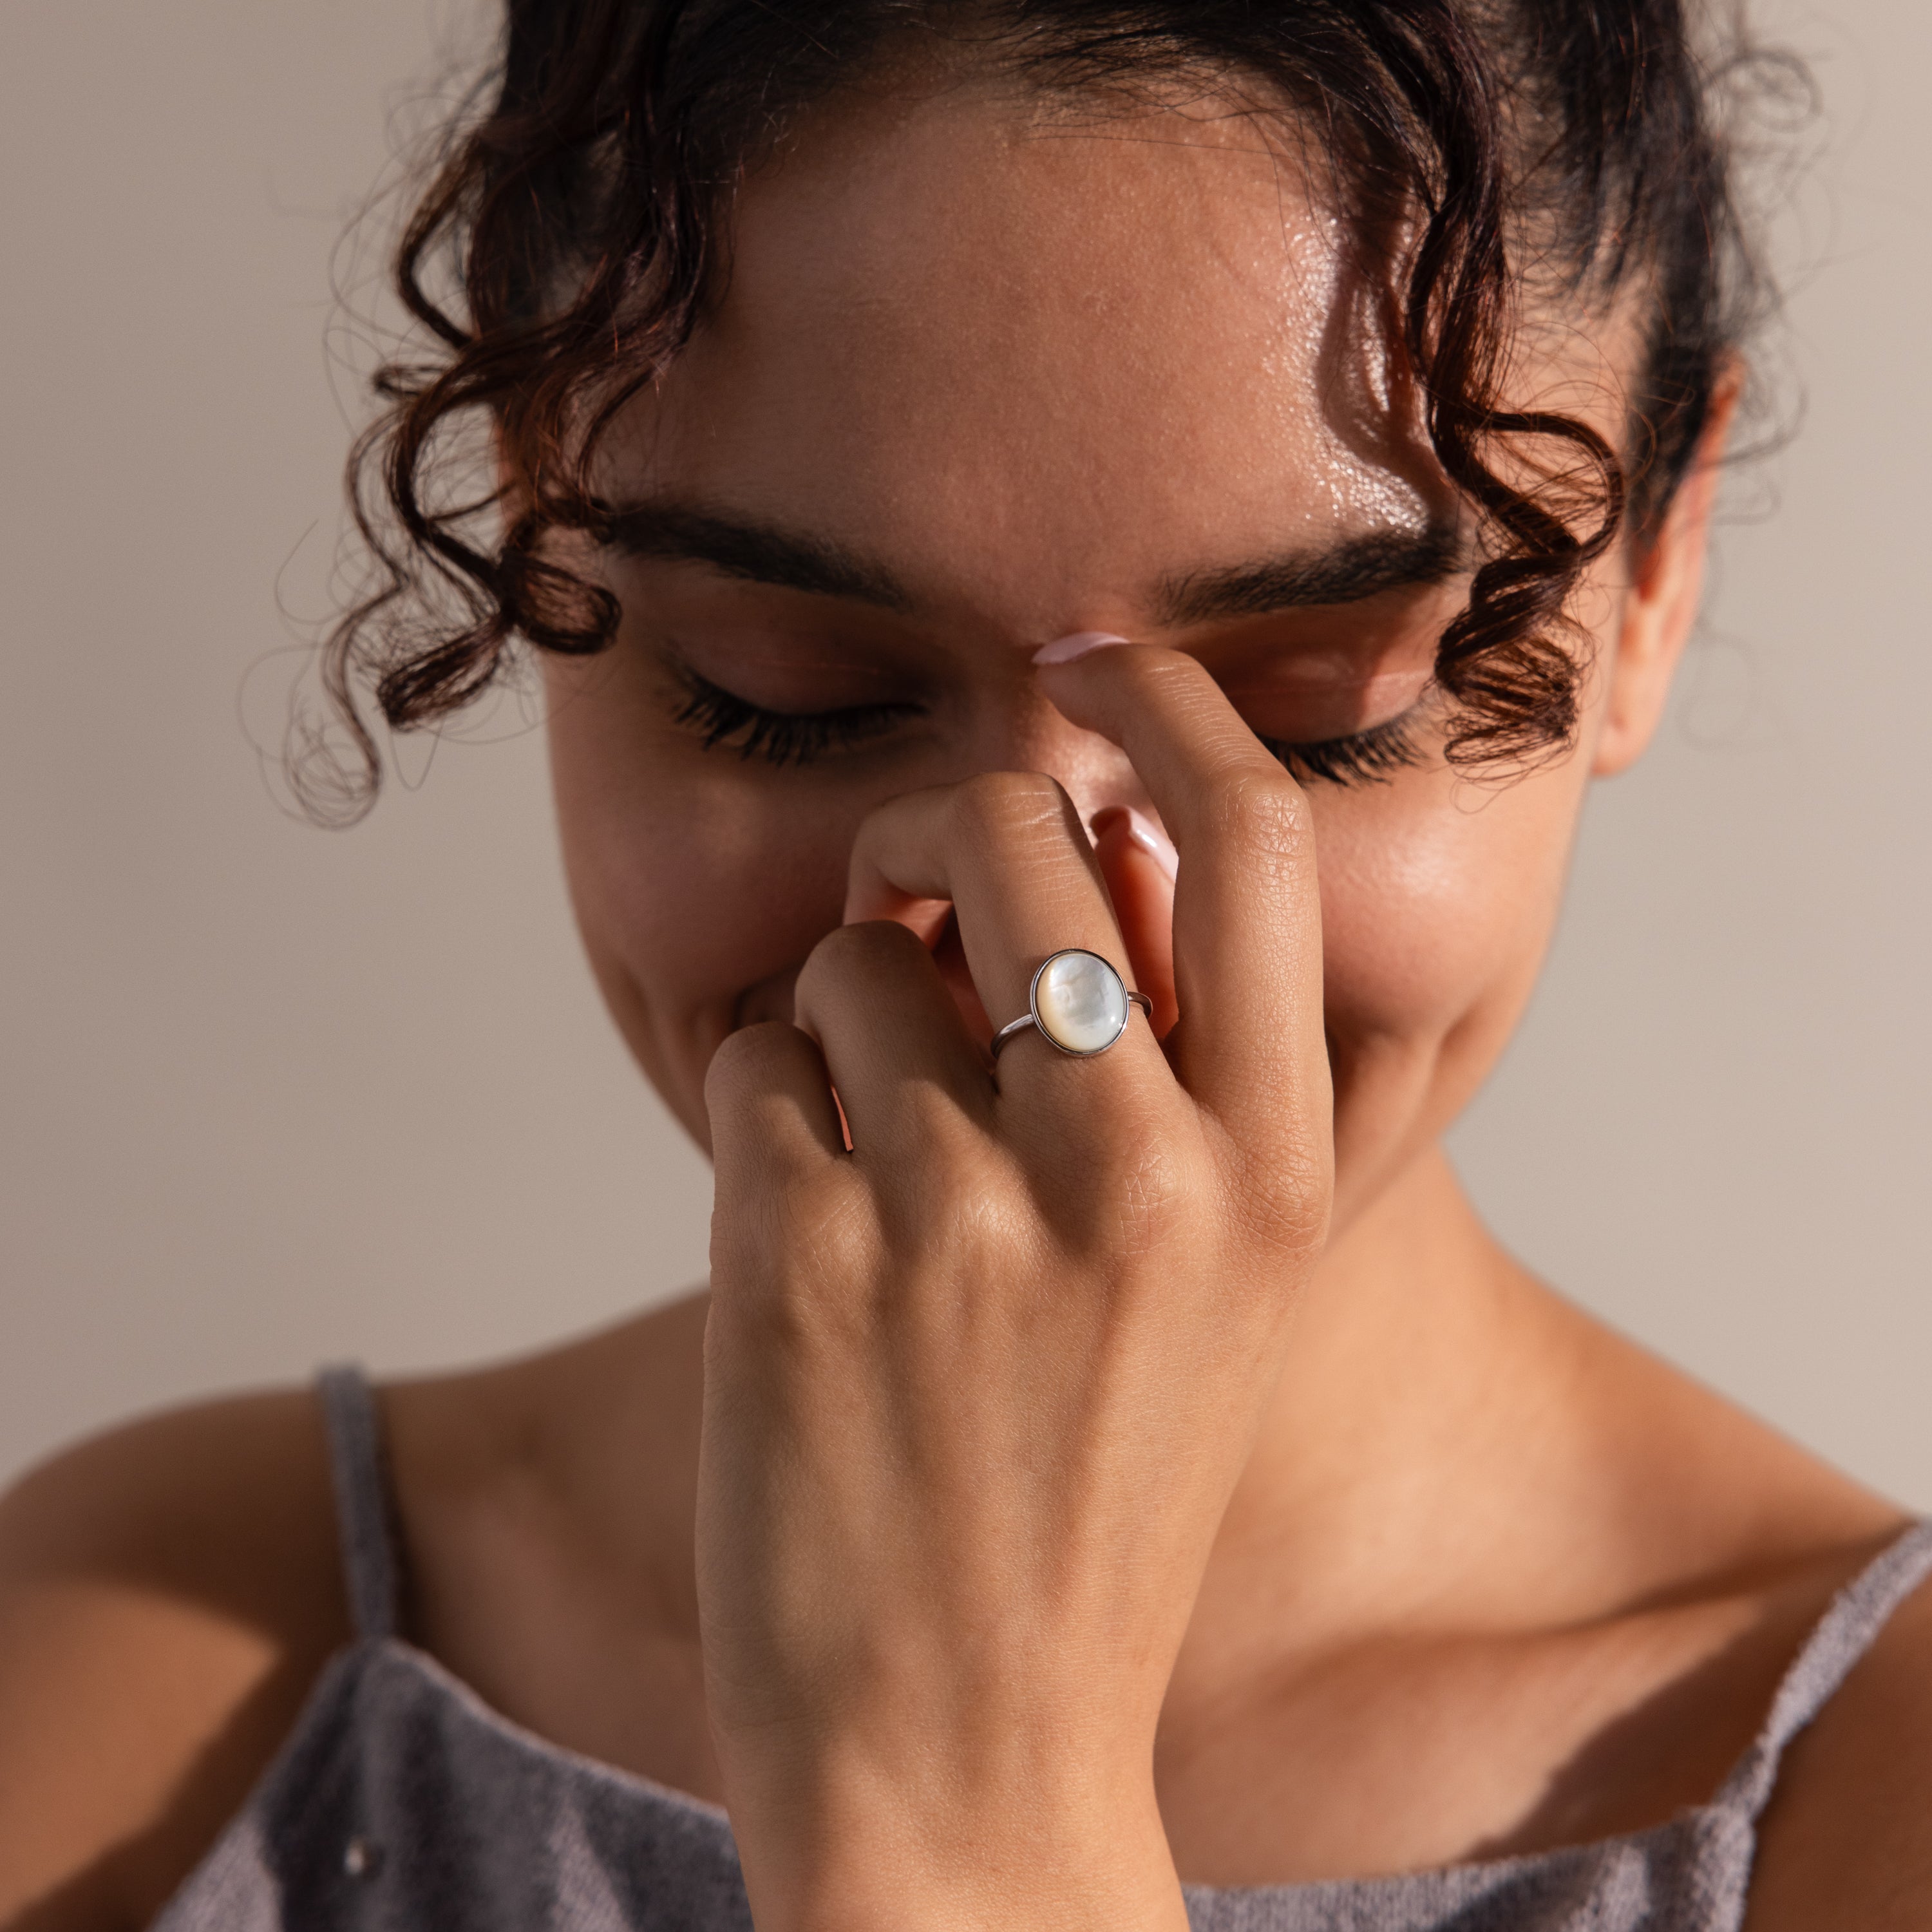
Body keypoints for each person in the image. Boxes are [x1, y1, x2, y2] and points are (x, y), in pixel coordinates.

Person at [3, 1, 1928, 1927]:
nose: (1046, 938)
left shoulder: (1866, 1794)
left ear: (1653, 576)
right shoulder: (159, 1664)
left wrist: (959, 1805)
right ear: (536, 530)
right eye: (794, 700)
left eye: (1309, 722)